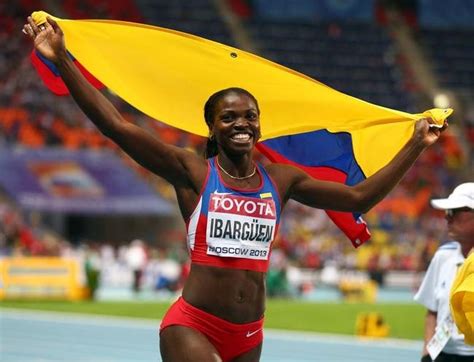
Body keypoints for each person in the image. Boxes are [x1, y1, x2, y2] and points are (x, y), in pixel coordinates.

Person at [24, 16, 446, 362]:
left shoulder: (281, 181)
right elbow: (117, 127)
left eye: (249, 116)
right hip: (192, 326)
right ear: (212, 127)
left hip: (249, 334)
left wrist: (413, 144)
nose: (241, 124)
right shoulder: (191, 170)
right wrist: (62, 58)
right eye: (229, 118)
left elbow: (359, 199)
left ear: (260, 124)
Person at [414, 183, 474, 362]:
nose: (446, 218)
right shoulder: (442, 256)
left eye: (454, 211)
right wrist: (427, 354)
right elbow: (432, 311)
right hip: (442, 354)